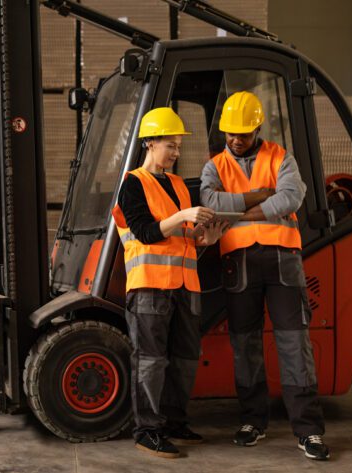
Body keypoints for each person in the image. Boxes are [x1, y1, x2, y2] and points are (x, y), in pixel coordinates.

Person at [200, 91, 330, 461]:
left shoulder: (280, 156)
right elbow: (210, 203)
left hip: (282, 262)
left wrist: (239, 210)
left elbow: (291, 197)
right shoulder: (214, 166)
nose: (236, 140)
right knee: (246, 344)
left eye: (243, 133)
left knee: (294, 343)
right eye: (231, 134)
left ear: (258, 127)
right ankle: (253, 421)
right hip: (238, 263)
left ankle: (308, 430)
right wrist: (259, 197)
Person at [113, 107, 224, 459]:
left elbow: (182, 237)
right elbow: (146, 232)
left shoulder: (177, 184)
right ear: (149, 143)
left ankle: (174, 422)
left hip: (185, 286)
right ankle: (148, 430)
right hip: (150, 288)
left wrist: (203, 239)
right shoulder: (133, 183)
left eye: (178, 146)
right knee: (150, 361)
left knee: (186, 358)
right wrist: (183, 216)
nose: (176, 153)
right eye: (170, 145)